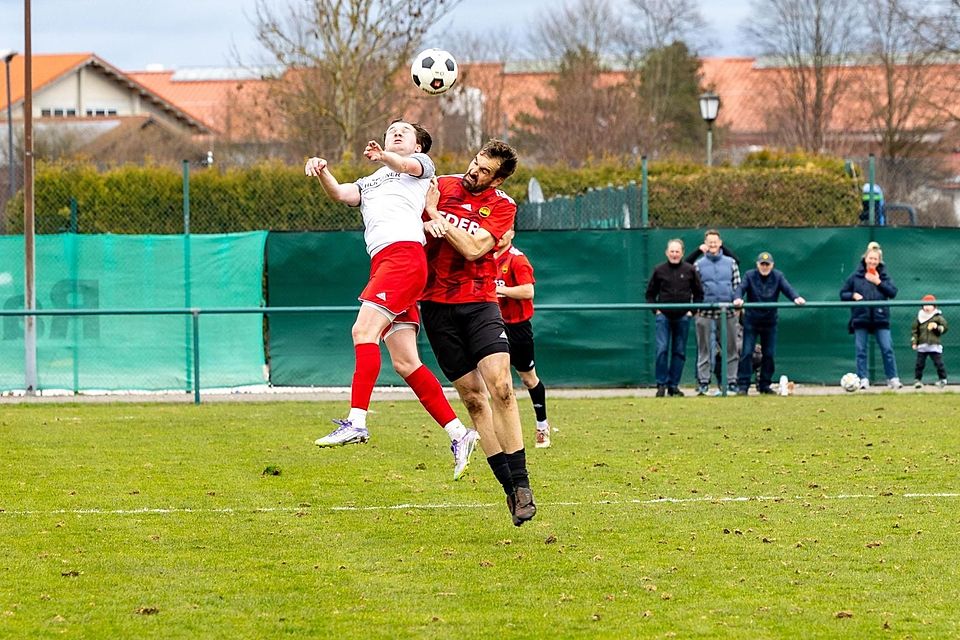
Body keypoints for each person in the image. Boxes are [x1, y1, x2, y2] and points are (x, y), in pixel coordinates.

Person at [304, 119, 479, 481]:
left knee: (362, 332)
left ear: (418, 146)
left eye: (404, 131)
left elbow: (402, 165)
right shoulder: (370, 182)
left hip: (403, 259)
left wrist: (385, 156)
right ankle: (459, 433)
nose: (396, 133)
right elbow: (340, 194)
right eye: (391, 130)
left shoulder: (420, 169)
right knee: (405, 362)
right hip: (384, 262)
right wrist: (322, 169)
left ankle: (356, 421)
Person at [420, 139, 536, 527]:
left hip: (480, 301)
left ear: (498, 178)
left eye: (484, 170)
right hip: (436, 307)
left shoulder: (503, 206)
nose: (474, 171)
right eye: (474, 162)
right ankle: (508, 489)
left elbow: (472, 249)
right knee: (473, 399)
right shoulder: (438, 185)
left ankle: (523, 485)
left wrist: (437, 216)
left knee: (501, 386)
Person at [493, 228, 553, 448]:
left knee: (528, 379)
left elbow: (528, 292)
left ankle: (542, 425)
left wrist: (503, 290)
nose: (498, 236)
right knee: (498, 380)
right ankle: (500, 434)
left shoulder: (517, 260)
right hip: (493, 326)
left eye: (503, 231)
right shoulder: (484, 258)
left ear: (512, 233)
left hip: (517, 327)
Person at [732, 251, 806, 395]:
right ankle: (743, 386)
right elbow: (740, 289)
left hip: (769, 321)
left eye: (767, 264)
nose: (764, 267)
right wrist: (738, 298)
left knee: (769, 354)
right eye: (762, 264)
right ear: (757, 265)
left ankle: (765, 385)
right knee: (746, 353)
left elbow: (787, 289)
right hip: (751, 321)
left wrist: (796, 298)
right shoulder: (749, 275)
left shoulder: (778, 276)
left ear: (772, 265)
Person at [645, 238, 704, 397]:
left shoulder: (690, 270)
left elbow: (699, 293)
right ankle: (661, 384)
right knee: (662, 349)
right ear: (666, 253)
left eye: (677, 251)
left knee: (679, 352)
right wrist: (656, 310)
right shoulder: (659, 270)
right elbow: (650, 294)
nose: (674, 254)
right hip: (663, 316)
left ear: (682, 253)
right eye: (672, 251)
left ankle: (673, 385)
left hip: (683, 317)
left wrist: (692, 310)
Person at [839, 242, 901, 389]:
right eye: (870, 258)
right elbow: (843, 293)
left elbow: (893, 292)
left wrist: (878, 282)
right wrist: (853, 295)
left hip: (881, 318)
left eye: (876, 259)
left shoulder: (884, 276)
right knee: (861, 350)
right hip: (861, 318)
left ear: (879, 261)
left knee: (887, 348)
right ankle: (863, 379)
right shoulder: (856, 276)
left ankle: (892, 378)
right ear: (865, 258)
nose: (873, 261)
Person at [693, 230, 741, 395]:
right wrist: (697, 307)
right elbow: (695, 289)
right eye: (709, 242)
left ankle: (731, 382)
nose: (712, 245)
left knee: (731, 347)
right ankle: (703, 382)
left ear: (720, 243)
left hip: (727, 311)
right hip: (705, 312)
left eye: (715, 242)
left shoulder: (731, 263)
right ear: (705, 244)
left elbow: (737, 286)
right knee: (704, 348)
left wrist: (737, 306)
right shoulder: (698, 265)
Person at [911, 294, 948, 388]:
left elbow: (945, 327)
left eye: (930, 305)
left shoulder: (938, 317)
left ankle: (942, 379)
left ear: (934, 306)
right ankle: (917, 380)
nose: (927, 307)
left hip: (934, 345)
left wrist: (937, 327)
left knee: (939, 363)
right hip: (922, 346)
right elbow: (914, 331)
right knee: (919, 364)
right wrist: (914, 342)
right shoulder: (919, 318)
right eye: (925, 305)